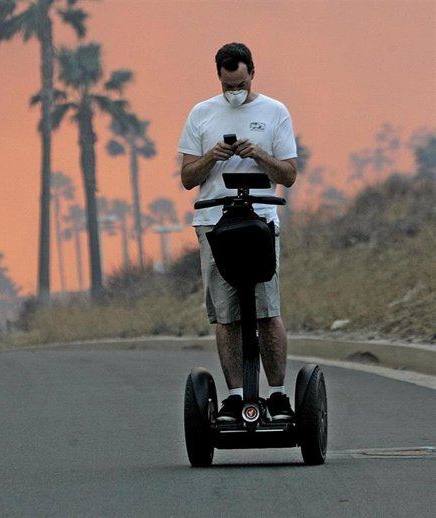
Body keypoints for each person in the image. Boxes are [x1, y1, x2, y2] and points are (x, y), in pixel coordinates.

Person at [178, 42, 297, 422]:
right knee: (226, 316)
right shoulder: (201, 114)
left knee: (266, 311)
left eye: (241, 83)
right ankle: (233, 398)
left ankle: (277, 396)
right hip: (214, 222)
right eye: (229, 85)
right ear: (219, 78)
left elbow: (289, 175)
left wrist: (257, 154)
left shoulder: (275, 111)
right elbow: (186, 178)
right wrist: (212, 156)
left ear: (252, 74)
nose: (235, 91)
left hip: (261, 219)